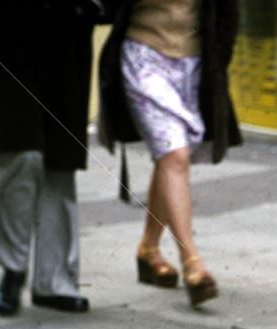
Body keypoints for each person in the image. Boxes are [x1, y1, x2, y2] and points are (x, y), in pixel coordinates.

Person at [0, 0, 100, 315]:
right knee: (23, 153)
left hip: (69, 35)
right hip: (8, 35)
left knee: (61, 163)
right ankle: (12, 266)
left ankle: (55, 281)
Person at [99, 0, 241, 307]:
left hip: (193, 65)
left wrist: (219, 61)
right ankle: (192, 262)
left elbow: (228, 14)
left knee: (171, 158)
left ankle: (149, 249)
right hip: (144, 57)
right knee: (175, 156)